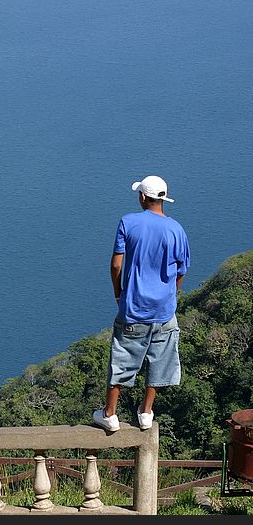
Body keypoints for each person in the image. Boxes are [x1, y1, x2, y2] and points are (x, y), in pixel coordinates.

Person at [92, 175, 190, 432]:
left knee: (122, 358)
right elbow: (181, 270)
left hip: (133, 307)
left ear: (144, 197)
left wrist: (118, 293)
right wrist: (173, 295)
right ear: (163, 199)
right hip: (164, 311)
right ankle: (146, 412)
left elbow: (116, 265)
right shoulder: (177, 229)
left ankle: (110, 415)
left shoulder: (129, 222)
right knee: (160, 360)